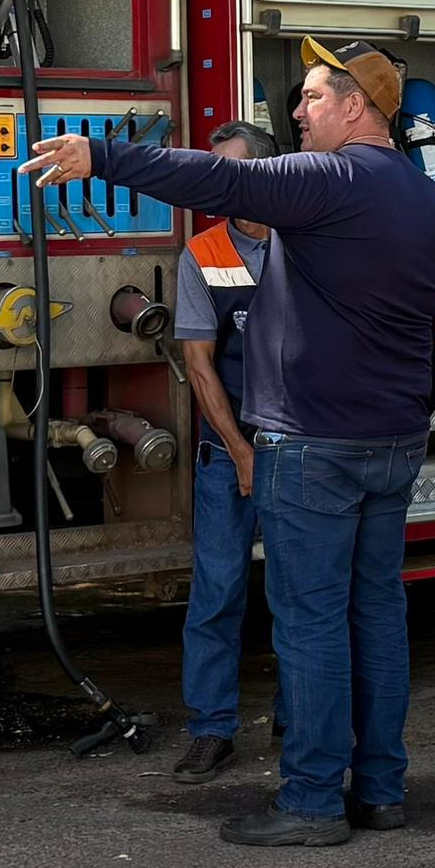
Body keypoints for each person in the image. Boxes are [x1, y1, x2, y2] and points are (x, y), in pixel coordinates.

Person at [29, 44, 435, 846]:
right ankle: (380, 790)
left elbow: (222, 182)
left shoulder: (329, 181)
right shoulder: (428, 202)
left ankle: (311, 803)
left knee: (312, 622)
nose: (297, 114)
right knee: (377, 613)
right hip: (394, 440)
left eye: (312, 98)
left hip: (314, 444)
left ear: (356, 106)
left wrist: (102, 155)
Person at [168, 119, 276, 782]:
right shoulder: (202, 254)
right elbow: (200, 368)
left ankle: (303, 721)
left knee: (303, 597)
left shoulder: (310, 242)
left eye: (231, 171)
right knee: (217, 594)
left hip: (301, 449)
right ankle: (212, 729)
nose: (220, 187)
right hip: (229, 453)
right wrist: (238, 451)